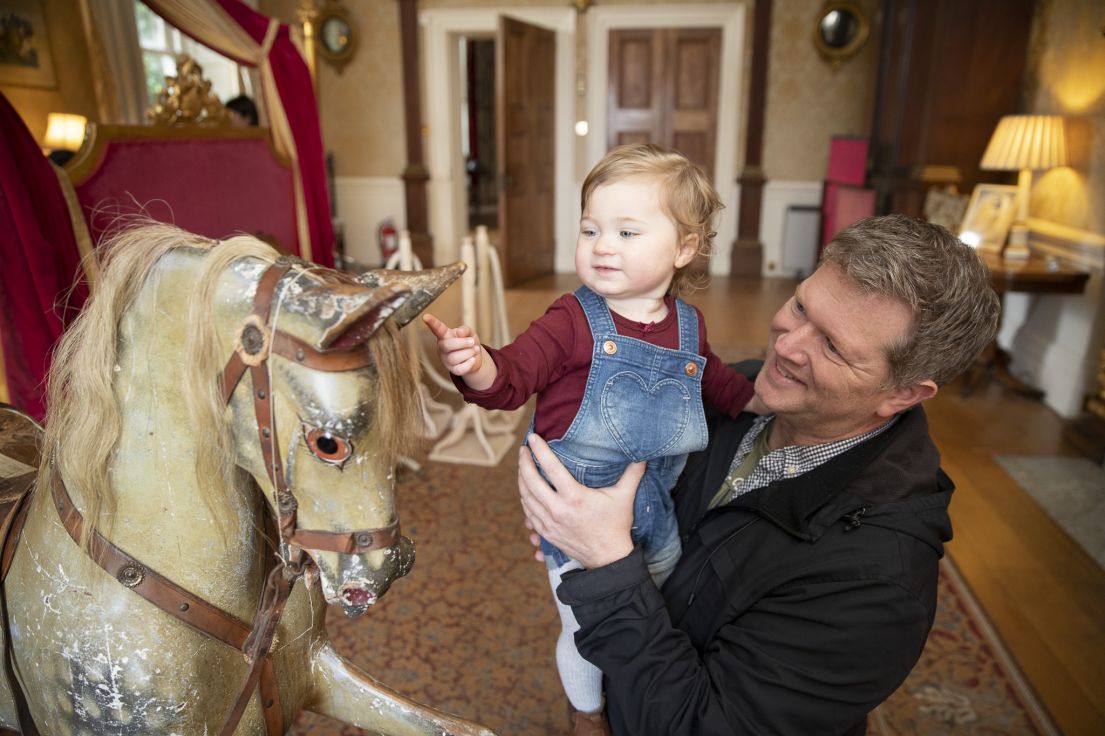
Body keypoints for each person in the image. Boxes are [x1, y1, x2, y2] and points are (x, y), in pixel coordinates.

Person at [517, 214, 1001, 735]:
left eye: (833, 347)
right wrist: (583, 517)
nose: (786, 346)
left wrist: (608, 565)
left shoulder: (877, 585)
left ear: (902, 393)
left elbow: (711, 726)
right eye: (799, 306)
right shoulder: (738, 389)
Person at [423, 144, 758, 731]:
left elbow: (713, 379)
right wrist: (474, 363)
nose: (603, 245)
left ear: (683, 248)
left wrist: (755, 405)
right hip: (575, 510)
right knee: (586, 626)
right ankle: (587, 714)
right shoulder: (572, 320)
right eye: (591, 228)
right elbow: (511, 378)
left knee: (657, 606)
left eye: (628, 232)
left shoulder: (688, 325)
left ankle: (643, 702)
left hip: (657, 505)